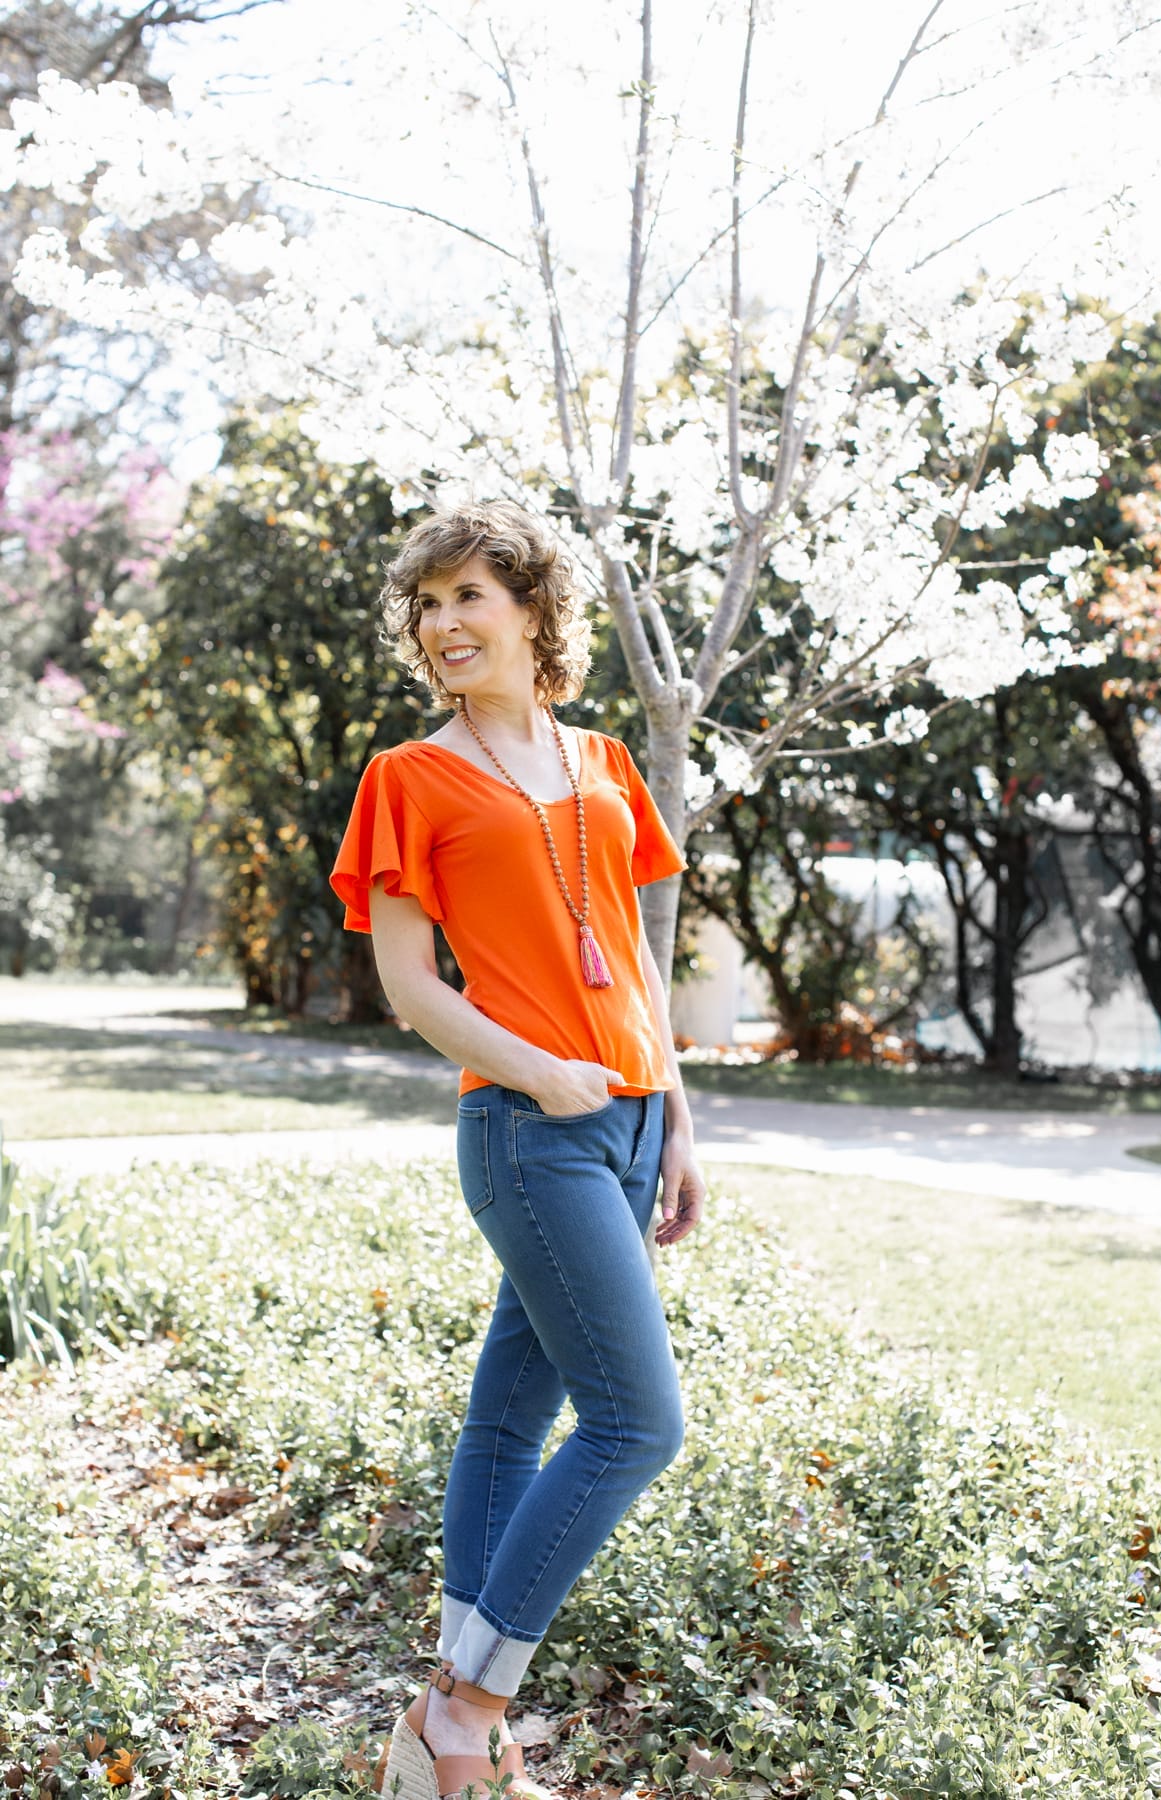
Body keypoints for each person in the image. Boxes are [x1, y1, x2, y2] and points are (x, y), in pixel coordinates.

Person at [329, 499, 706, 1800]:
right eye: (426, 605)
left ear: (535, 610)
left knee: (511, 1421)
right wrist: (547, 1075)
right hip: (528, 1124)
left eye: (468, 597)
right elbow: (410, 985)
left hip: (632, 1115)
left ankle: (452, 1752)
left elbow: (639, 952)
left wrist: (678, 1116)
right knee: (636, 1424)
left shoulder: (603, 759)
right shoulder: (409, 778)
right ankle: (467, 1705)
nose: (441, 625)